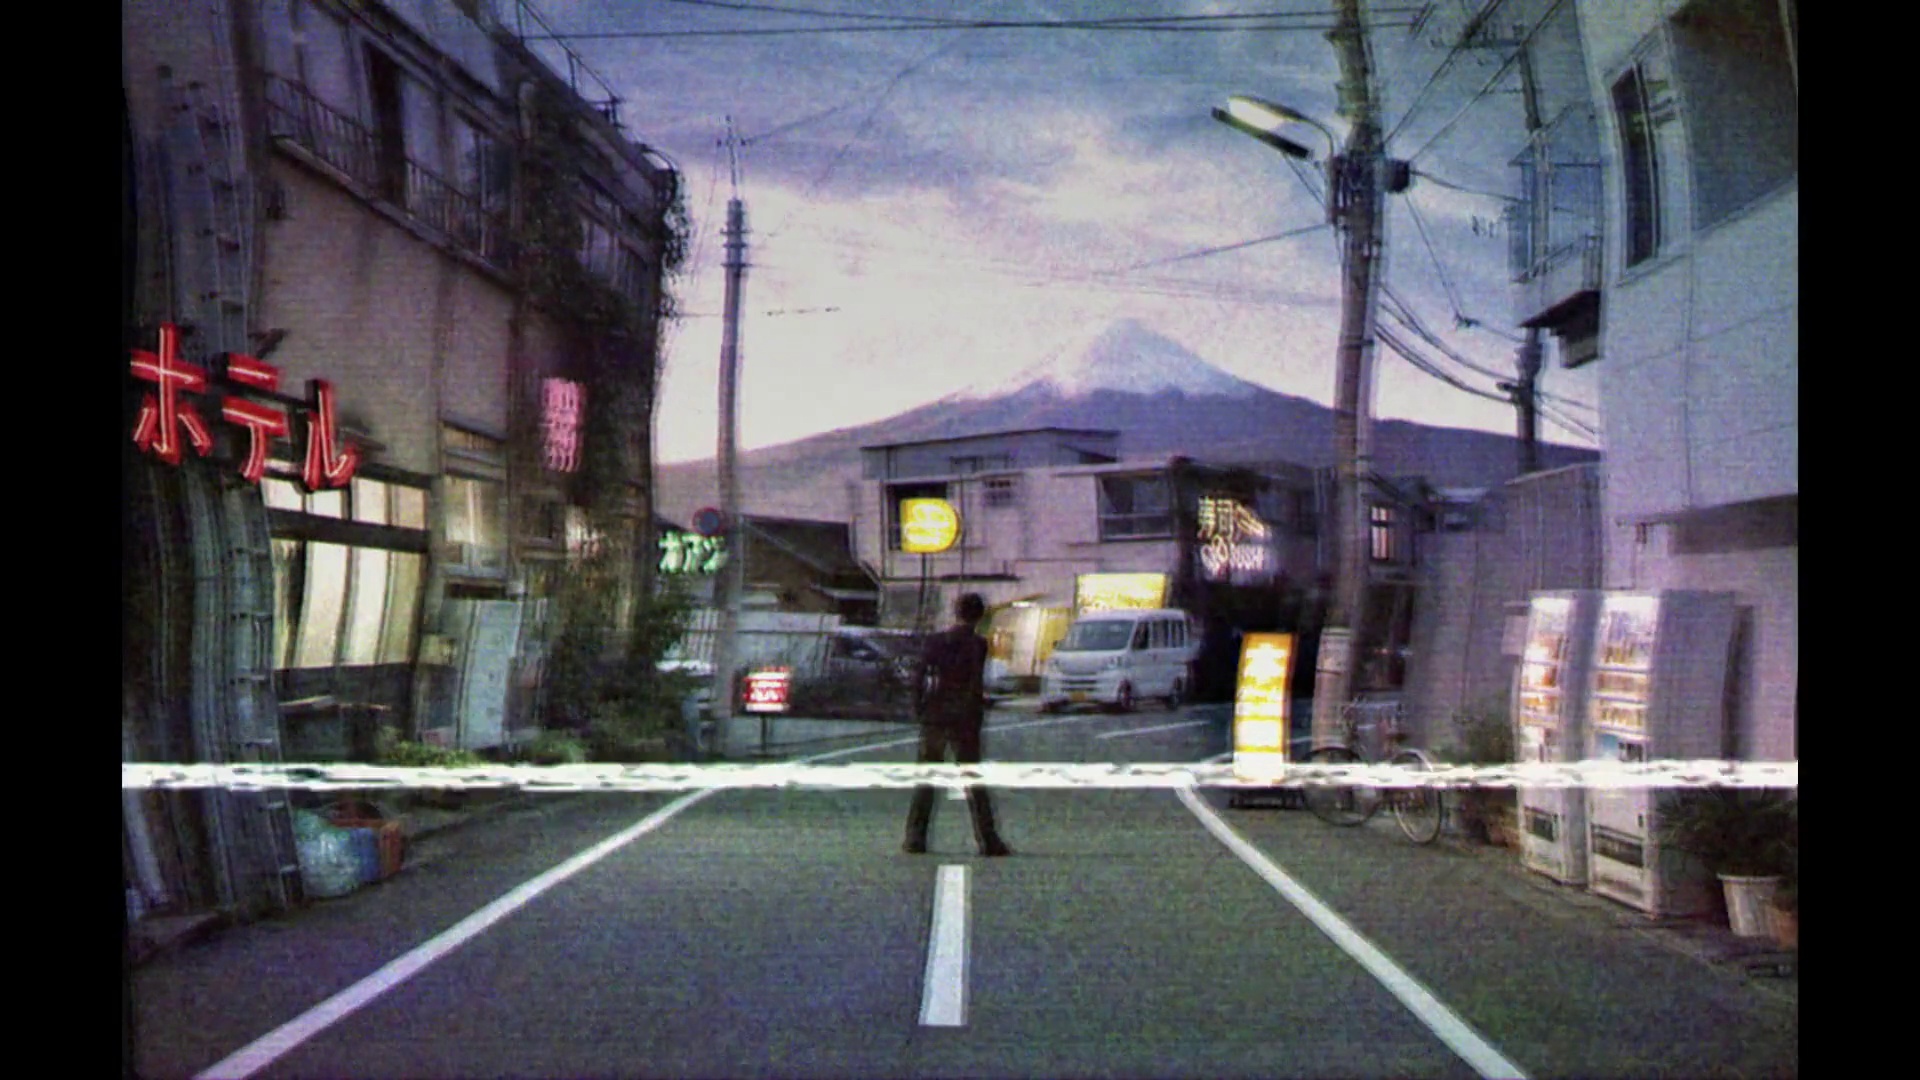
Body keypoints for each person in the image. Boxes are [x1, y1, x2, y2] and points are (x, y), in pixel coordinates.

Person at [903, 593, 1012, 857]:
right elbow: (974, 683)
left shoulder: (935, 641)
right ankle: (988, 839)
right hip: (964, 718)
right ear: (979, 617)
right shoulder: (978, 645)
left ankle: (915, 837)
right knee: (973, 779)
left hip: (935, 715)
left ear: (956, 612)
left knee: (927, 778)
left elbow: (919, 676)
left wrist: (920, 707)